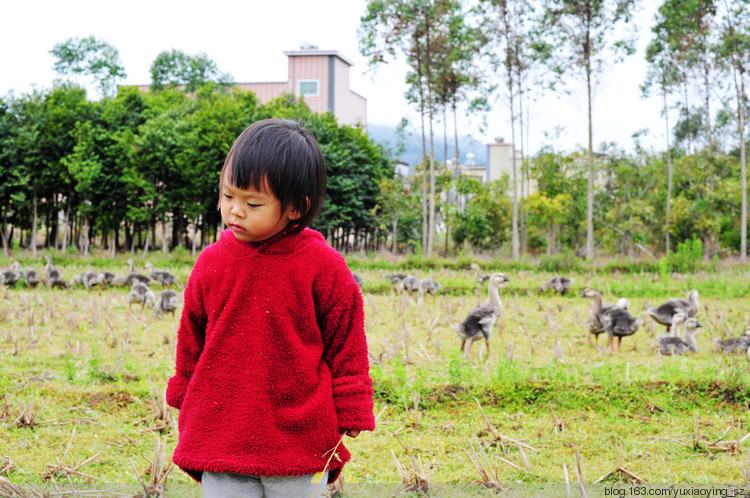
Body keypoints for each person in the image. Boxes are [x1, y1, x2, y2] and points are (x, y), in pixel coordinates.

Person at [166, 118, 375, 497]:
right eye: (228, 196)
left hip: (300, 435)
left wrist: (352, 403)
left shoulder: (323, 266)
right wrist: (183, 388)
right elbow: (192, 334)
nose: (234, 211)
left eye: (252, 203)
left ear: (296, 207)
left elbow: (347, 339)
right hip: (221, 428)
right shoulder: (212, 263)